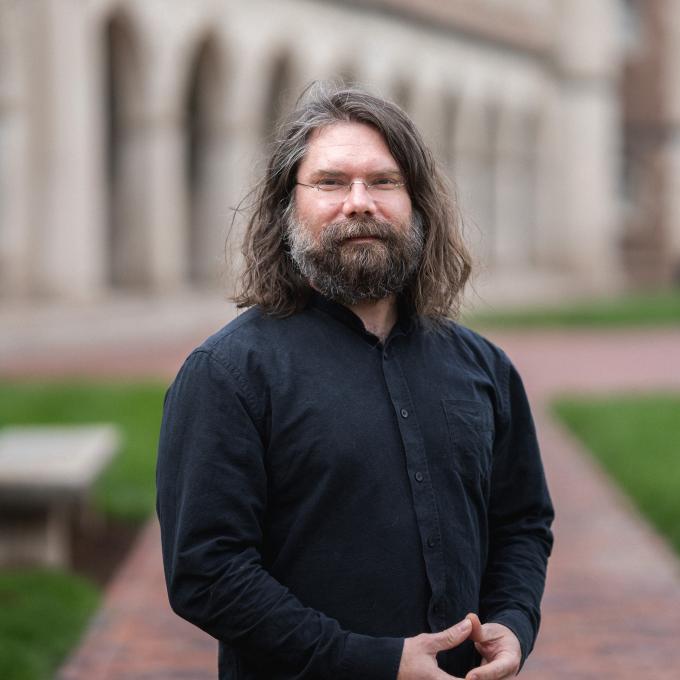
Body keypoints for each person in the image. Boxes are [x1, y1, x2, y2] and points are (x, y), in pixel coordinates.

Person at [156, 83, 554, 680]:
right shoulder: (228, 375)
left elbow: (522, 521)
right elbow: (206, 572)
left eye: (384, 181)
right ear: (288, 205)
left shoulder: (485, 367)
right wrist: (374, 662)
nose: (359, 202)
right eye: (331, 181)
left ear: (417, 202)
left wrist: (514, 620)